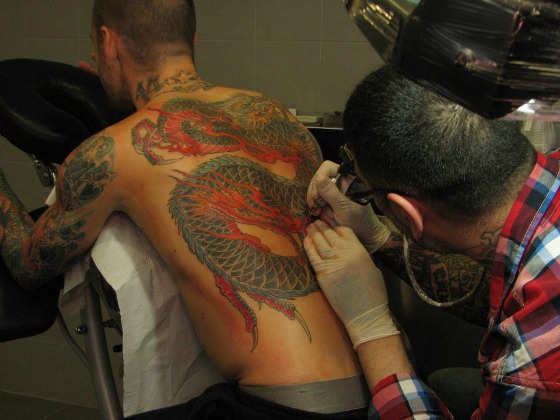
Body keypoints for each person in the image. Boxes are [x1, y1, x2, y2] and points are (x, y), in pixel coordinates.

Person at [0, 1, 370, 418]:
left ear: (107, 44)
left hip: (282, 407)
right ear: (192, 39)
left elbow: (28, 263)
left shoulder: (110, 153)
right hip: (372, 378)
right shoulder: (275, 114)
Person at [304, 64, 560, 418]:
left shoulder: (530, 369)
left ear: (407, 213)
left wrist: (372, 328)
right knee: (447, 383)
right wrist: (381, 241)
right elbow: (502, 289)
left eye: (364, 190)